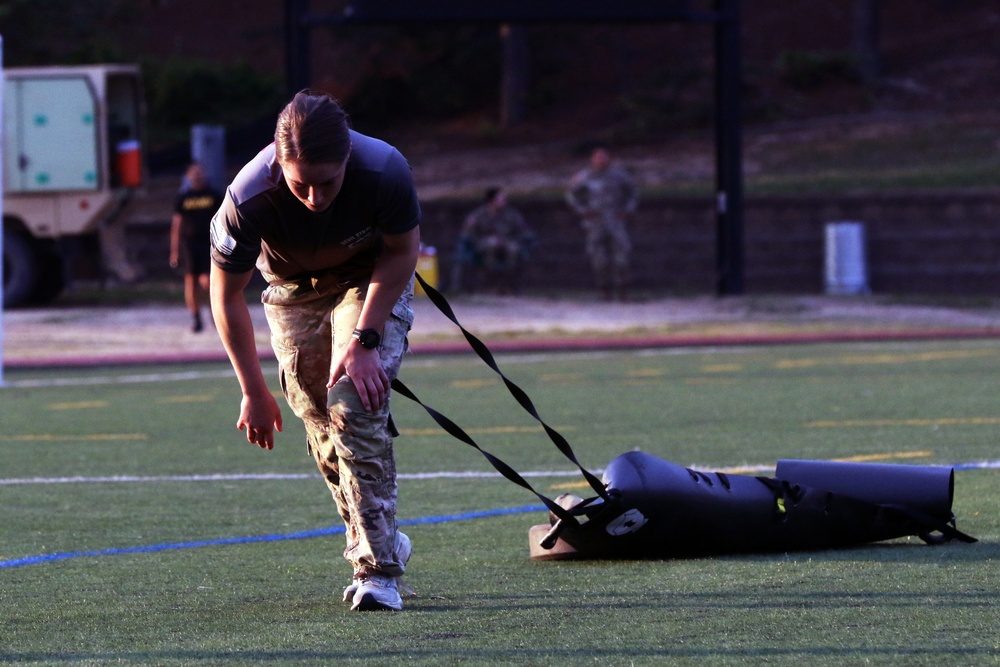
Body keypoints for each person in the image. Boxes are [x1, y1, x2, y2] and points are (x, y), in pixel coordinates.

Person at [209, 90, 421, 612]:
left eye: (327, 182)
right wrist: (253, 390)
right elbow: (225, 295)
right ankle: (379, 537)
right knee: (320, 421)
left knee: (354, 404)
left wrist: (366, 339)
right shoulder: (246, 198)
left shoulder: (385, 170)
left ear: (347, 158)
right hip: (291, 288)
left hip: (366, 280)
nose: (315, 197)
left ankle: (377, 571)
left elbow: (402, 252)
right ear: (279, 163)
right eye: (300, 183)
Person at [565, 145, 639, 301]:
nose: (601, 160)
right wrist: (582, 210)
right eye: (597, 157)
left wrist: (627, 210)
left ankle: (623, 290)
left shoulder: (619, 176)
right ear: (592, 159)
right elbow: (571, 194)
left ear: (609, 158)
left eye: (604, 157)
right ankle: (603, 291)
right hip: (595, 222)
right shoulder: (585, 176)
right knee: (599, 260)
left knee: (622, 258)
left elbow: (633, 193)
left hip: (615, 221)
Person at [170, 162, 223, 332]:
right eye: (194, 172)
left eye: (200, 172)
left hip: (209, 243)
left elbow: (223, 220)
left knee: (208, 282)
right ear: (188, 176)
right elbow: (177, 225)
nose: (198, 175)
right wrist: (174, 251)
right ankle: (196, 318)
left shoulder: (214, 195)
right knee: (191, 282)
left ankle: (215, 315)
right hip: (190, 245)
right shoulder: (184, 198)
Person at [454, 187, 535, 294]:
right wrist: (482, 241)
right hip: (484, 244)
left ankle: (506, 285)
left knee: (513, 250)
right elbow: (467, 234)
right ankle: (489, 284)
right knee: (490, 248)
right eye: (500, 199)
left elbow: (523, 230)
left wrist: (511, 240)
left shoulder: (511, 214)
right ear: (491, 201)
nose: (503, 201)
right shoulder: (478, 215)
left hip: (506, 242)